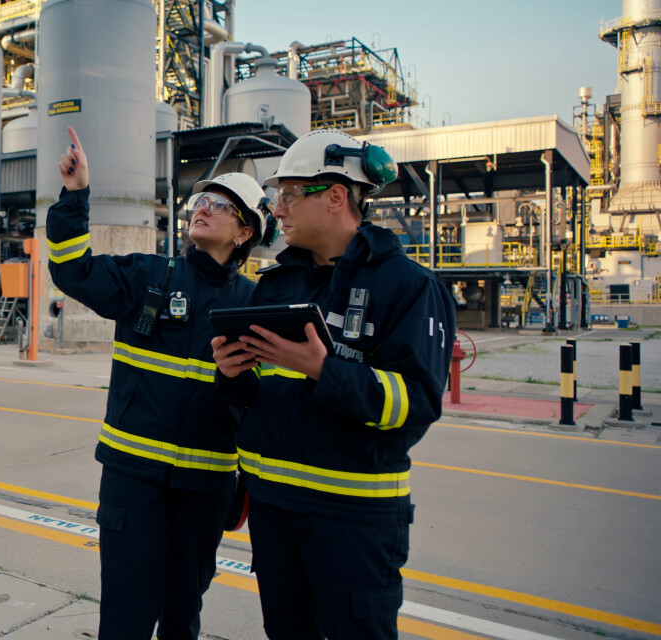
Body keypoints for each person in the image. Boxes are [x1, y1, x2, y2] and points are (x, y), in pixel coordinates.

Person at [210, 129, 455, 640]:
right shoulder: (276, 286)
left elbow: (415, 404)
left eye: (289, 194)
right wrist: (231, 376)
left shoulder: (409, 287)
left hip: (352, 520)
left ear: (336, 196)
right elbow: (257, 398)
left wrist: (325, 371)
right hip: (274, 515)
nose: (277, 208)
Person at [47, 126, 274, 640]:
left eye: (221, 205)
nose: (203, 207)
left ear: (244, 234)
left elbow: (262, 402)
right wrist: (76, 195)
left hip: (205, 488)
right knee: (124, 618)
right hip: (133, 481)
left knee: (181, 616)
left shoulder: (255, 304)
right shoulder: (148, 276)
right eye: (202, 200)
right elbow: (72, 270)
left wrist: (236, 382)